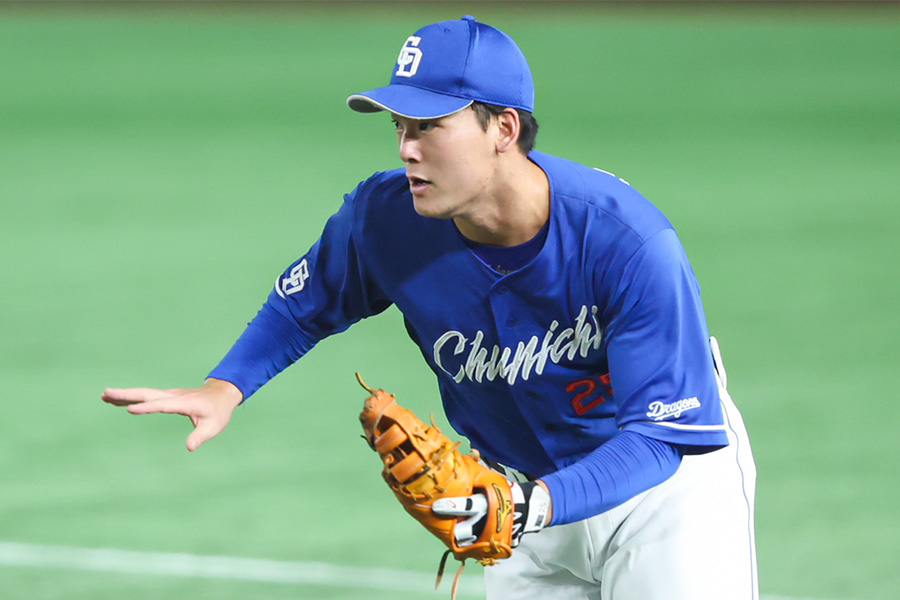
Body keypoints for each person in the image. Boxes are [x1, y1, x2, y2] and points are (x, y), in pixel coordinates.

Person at [103, 16, 758, 600]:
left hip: (659, 497)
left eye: (430, 127)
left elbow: (659, 438)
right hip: (509, 497)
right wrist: (226, 386)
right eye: (399, 125)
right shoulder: (385, 220)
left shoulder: (628, 243)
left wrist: (527, 505)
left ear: (503, 128)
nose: (405, 148)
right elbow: (304, 305)